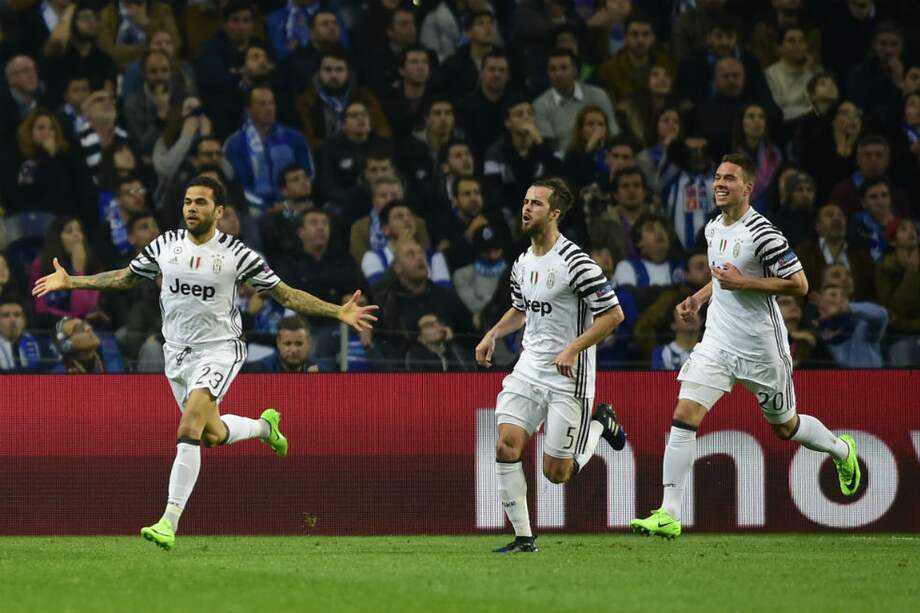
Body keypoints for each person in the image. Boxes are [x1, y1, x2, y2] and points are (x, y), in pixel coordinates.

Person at [32, 175, 378, 551]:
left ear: (219, 210)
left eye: (199, 202)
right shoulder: (165, 245)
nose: (191, 209)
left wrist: (337, 311)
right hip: (176, 354)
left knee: (189, 424)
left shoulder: (236, 254)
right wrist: (72, 282)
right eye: (186, 202)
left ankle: (168, 521)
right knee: (210, 435)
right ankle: (265, 427)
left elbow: (287, 295)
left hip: (219, 350)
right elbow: (124, 278)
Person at [630, 154, 862, 540]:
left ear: (748, 187)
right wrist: (700, 297)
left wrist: (745, 284)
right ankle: (669, 513)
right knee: (684, 414)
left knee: (786, 427)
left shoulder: (764, 234)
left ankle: (841, 450)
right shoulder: (713, 228)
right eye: (717, 178)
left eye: (729, 179)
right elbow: (724, 277)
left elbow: (800, 285)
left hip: (761, 348)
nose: (719, 184)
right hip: (718, 342)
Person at [474, 177, 627, 553]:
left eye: (536, 204)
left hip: (568, 375)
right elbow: (520, 309)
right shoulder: (523, 262)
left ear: (554, 213)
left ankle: (598, 425)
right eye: (525, 202)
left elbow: (613, 315)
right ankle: (524, 538)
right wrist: (493, 333)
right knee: (507, 446)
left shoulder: (578, 263)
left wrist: (573, 348)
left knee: (555, 474)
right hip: (529, 367)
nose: (526, 209)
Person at [248, 315, 320, 372]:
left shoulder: (321, 370)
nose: (293, 350)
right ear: (278, 343)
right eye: (288, 344)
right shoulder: (259, 371)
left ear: (309, 343)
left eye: (299, 344)